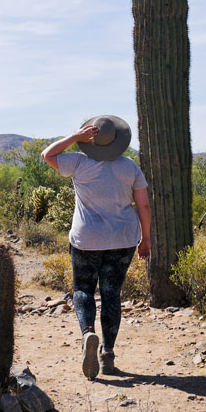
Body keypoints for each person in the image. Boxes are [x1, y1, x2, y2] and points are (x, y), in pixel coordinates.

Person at [42, 116, 150, 380]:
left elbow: (47, 154)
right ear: (118, 140)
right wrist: (146, 238)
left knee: (83, 290)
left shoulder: (79, 162)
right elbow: (143, 205)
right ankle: (108, 355)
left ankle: (88, 332)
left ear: (91, 139)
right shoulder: (129, 167)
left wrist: (75, 137)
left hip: (86, 238)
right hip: (122, 238)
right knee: (112, 294)